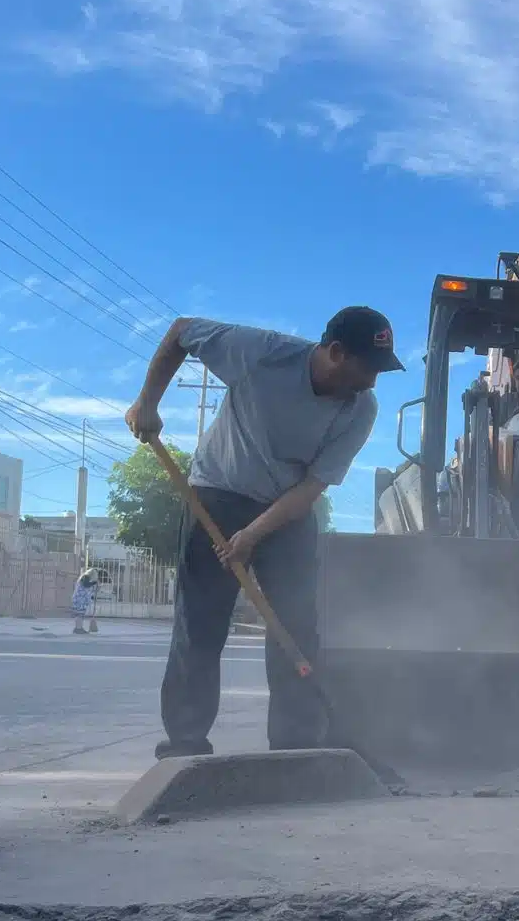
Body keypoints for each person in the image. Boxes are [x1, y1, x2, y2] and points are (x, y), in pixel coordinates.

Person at [125, 307, 403, 759]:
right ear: (335, 352)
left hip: (286, 512)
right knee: (200, 624)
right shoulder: (263, 354)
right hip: (216, 494)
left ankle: (295, 746)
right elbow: (181, 332)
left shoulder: (361, 408)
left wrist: (251, 534)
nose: (372, 382)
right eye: (367, 368)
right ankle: (185, 743)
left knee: (297, 625)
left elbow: (313, 486)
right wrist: (147, 403)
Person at [71, 567, 100, 634]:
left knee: (80, 614)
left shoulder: (84, 578)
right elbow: (86, 585)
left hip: (80, 599)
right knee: (80, 614)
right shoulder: (85, 577)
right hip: (80, 600)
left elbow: (87, 589)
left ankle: (78, 628)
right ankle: (78, 628)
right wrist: (94, 582)